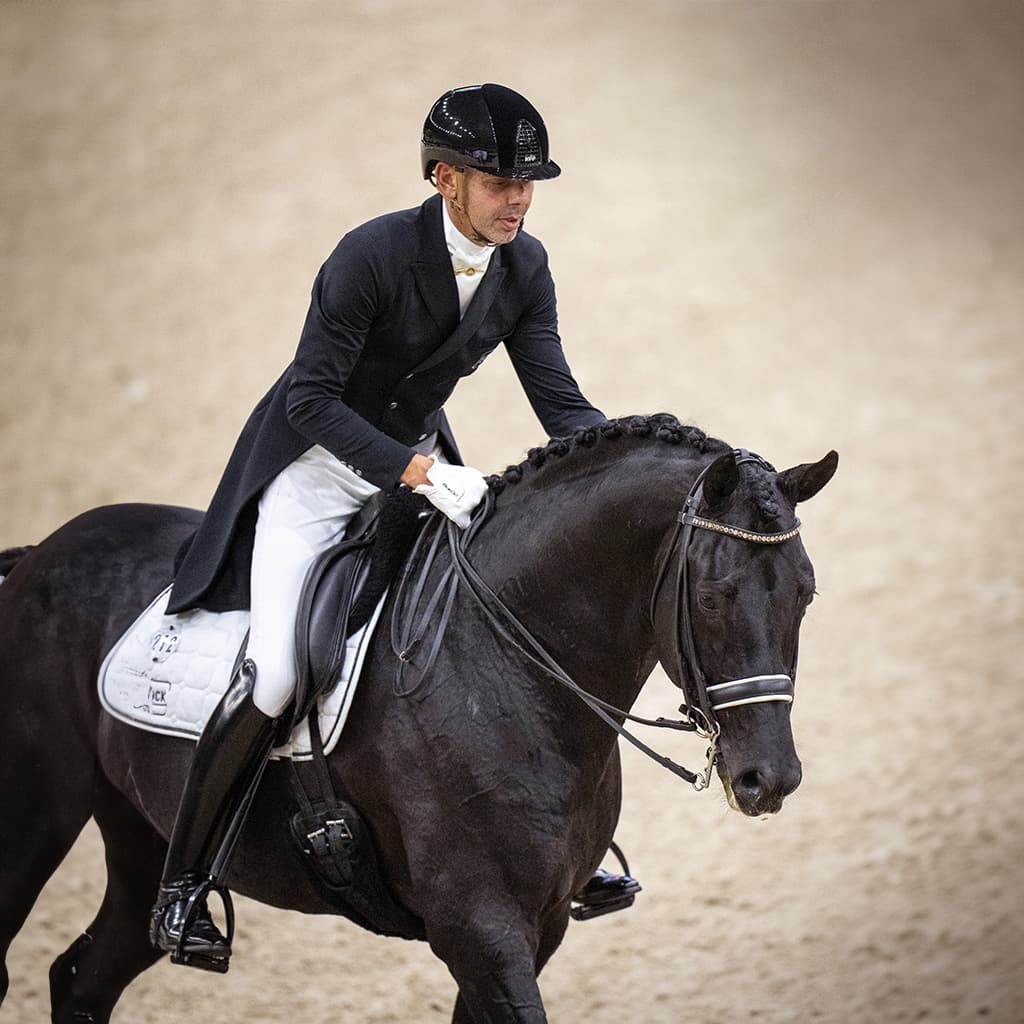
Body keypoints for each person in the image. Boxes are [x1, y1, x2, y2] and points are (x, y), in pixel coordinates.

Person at [150, 83, 633, 971]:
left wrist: (625, 466)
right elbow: (311, 398)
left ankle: (560, 849)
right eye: (500, 182)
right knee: (284, 671)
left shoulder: (524, 267)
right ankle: (183, 886)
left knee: (496, 616)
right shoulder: (369, 257)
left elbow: (560, 402)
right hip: (313, 471)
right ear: (445, 177)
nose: (519, 200)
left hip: (420, 471)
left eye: (530, 183)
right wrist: (416, 469)